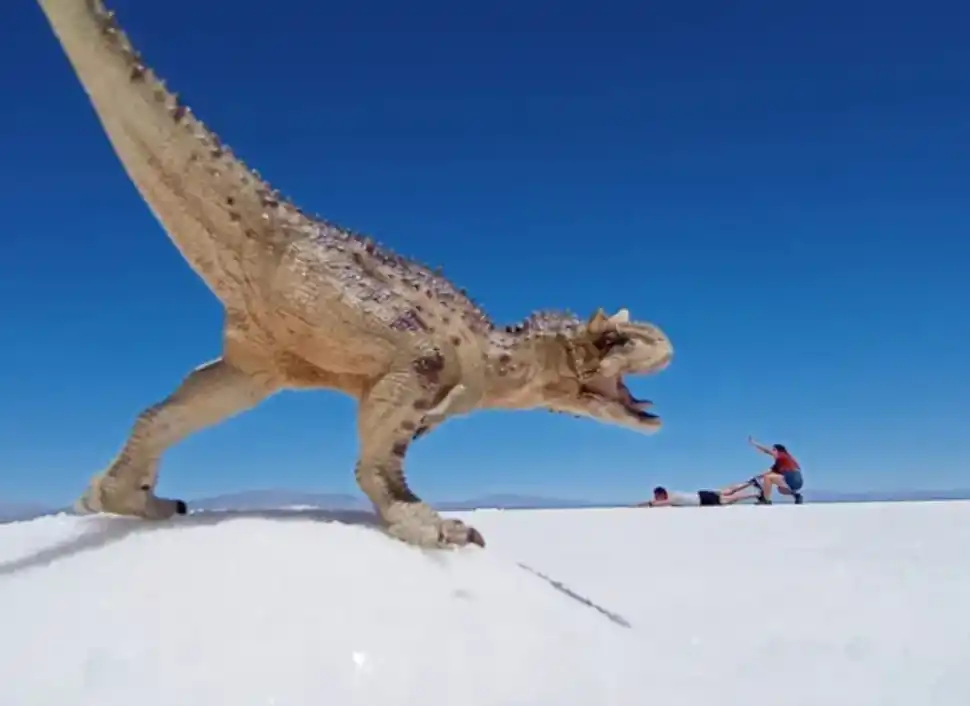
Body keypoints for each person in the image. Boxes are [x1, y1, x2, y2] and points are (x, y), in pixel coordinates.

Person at [748, 436, 804, 504]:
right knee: (780, 489)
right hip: (797, 480)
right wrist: (756, 477)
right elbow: (768, 471)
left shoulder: (783, 454)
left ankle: (766, 500)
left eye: (774, 449)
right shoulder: (779, 463)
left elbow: (767, 451)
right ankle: (797, 496)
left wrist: (755, 443)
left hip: (793, 475)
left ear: (778, 450)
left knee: (768, 477)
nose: (773, 451)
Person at [638, 479, 761, 508]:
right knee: (728, 491)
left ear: (661, 494)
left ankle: (755, 494)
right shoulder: (672, 494)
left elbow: (652, 504)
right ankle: (750, 482)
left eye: (656, 496)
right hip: (701, 494)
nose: (656, 498)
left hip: (702, 500)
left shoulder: (671, 499)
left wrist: (639, 505)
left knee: (730, 498)